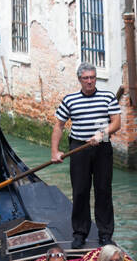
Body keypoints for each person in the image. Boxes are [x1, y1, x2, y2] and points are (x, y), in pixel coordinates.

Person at [51, 63, 120, 250]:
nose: (90, 81)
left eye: (92, 77)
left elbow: (116, 122)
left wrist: (102, 133)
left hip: (102, 148)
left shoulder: (107, 97)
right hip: (79, 148)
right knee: (80, 191)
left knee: (103, 191)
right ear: (80, 80)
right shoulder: (70, 100)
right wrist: (54, 152)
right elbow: (59, 125)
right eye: (86, 78)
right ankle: (80, 233)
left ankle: (105, 235)